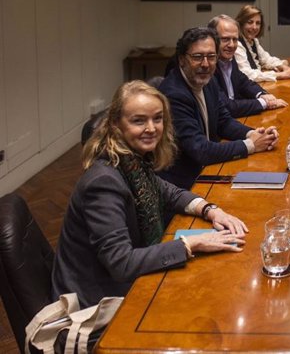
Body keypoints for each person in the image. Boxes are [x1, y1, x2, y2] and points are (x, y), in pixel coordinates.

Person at [52, 81, 248, 308]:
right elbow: (121, 263)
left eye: (157, 118)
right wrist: (190, 244)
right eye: (138, 120)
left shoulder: (131, 161)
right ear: (115, 124)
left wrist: (210, 209)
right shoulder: (103, 183)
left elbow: (169, 192)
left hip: (117, 282)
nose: (152, 128)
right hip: (96, 301)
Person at [159, 26, 279, 190]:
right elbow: (200, 150)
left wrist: (254, 134)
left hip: (209, 168)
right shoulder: (173, 94)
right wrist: (250, 145)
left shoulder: (208, 81)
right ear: (181, 59)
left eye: (211, 56)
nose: (206, 64)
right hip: (184, 184)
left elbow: (224, 121)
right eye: (197, 57)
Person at [208, 14, 288, 117]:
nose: (232, 45)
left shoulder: (228, 58)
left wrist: (262, 94)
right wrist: (264, 103)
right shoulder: (208, 66)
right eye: (225, 39)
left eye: (235, 39)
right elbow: (227, 107)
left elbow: (243, 81)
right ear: (212, 39)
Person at [235, 5, 290, 82]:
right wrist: (280, 75)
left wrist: (282, 66)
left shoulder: (253, 41)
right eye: (250, 22)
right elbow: (247, 74)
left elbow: (266, 59)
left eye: (258, 23)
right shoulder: (237, 44)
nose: (254, 27)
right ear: (241, 23)